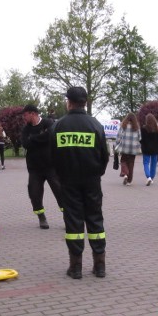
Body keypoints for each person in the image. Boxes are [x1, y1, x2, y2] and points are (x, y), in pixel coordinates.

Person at [51, 86, 110, 279]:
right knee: (95, 220)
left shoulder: (59, 126)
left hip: (68, 182)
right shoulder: (95, 125)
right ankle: (99, 265)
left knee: (73, 223)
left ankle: (75, 267)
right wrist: (97, 173)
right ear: (84, 102)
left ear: (69, 102)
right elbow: (104, 155)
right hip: (92, 180)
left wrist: (61, 175)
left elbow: (52, 156)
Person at [21, 104, 63, 229]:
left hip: (51, 166)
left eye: (25, 115)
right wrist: (40, 138)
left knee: (60, 191)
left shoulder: (48, 123)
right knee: (34, 193)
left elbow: (50, 136)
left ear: (32, 113)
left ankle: (67, 216)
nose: (24, 118)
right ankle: (41, 217)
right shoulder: (26, 129)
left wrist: (33, 139)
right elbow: (25, 143)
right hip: (34, 168)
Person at [114, 112, 141, 185]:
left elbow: (119, 137)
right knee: (131, 163)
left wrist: (116, 144)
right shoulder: (137, 127)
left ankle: (125, 173)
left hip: (124, 147)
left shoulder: (123, 126)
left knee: (123, 160)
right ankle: (129, 181)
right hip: (133, 148)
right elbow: (140, 138)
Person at [140, 113, 158, 186]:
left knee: (146, 163)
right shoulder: (157, 130)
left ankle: (148, 176)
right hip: (155, 149)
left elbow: (141, 139)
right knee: (153, 164)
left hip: (146, 148)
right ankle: (152, 177)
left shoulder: (143, 129)